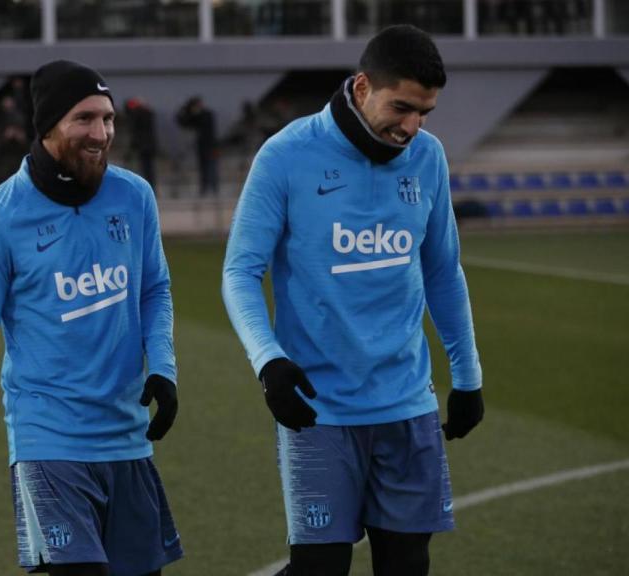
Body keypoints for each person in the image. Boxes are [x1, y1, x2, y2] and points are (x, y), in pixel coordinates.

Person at [222, 25, 484, 576]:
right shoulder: (286, 156)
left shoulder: (428, 158)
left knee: (407, 566)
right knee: (319, 569)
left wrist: (468, 376)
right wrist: (268, 361)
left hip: (408, 407)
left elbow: (442, 270)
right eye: (403, 107)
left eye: (426, 113)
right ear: (363, 87)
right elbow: (240, 273)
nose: (413, 127)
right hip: (320, 410)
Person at [0, 60, 182, 576]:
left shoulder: (134, 196)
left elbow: (154, 288)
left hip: (127, 436)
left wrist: (163, 367)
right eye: (84, 119)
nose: (102, 134)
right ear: (48, 126)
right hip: (49, 441)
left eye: (108, 119)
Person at [176, 95, 219, 197]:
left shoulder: (206, 114)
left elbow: (207, 127)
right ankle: (204, 188)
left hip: (211, 146)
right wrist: (185, 109)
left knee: (212, 167)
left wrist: (194, 113)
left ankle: (214, 188)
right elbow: (183, 122)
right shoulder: (195, 116)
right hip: (201, 147)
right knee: (203, 168)